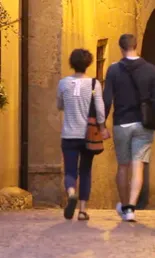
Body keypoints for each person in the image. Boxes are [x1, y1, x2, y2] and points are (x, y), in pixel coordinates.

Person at [103, 34, 155, 221]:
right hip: (143, 124)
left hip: (121, 123)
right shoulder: (151, 70)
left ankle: (125, 207)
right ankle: (132, 208)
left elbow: (107, 99)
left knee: (123, 166)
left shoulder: (114, 70)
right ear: (136, 46)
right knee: (138, 166)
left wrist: (101, 125)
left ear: (120, 48)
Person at [57, 49, 107, 221]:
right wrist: (102, 127)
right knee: (85, 170)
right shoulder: (94, 84)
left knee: (70, 171)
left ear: (72, 63)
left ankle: (71, 193)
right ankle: (83, 210)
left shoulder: (63, 83)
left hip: (69, 134)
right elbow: (100, 110)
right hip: (88, 135)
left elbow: (60, 105)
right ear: (88, 64)